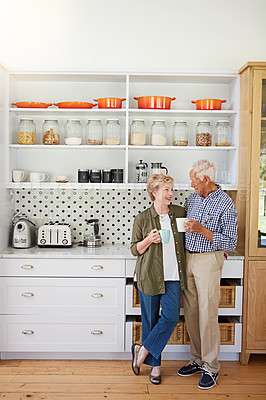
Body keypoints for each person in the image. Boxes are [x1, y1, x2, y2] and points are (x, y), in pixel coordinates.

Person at [177, 160, 238, 390]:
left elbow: (231, 242)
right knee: (191, 312)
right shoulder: (192, 198)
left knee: (208, 314)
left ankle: (211, 366)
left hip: (208, 260)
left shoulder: (225, 203)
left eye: (194, 180)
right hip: (188, 258)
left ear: (206, 179)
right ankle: (198, 359)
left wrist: (202, 229)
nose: (191, 184)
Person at [130, 174, 187, 385]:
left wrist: (218, 250)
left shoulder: (179, 213)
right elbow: (134, 249)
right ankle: (156, 366)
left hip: (173, 276)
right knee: (150, 321)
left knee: (171, 317)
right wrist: (148, 240)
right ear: (154, 192)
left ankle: (142, 350)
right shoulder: (142, 218)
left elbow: (191, 236)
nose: (171, 194)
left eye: (172, 189)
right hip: (149, 276)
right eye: (167, 190)